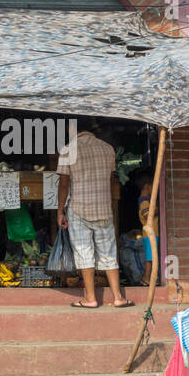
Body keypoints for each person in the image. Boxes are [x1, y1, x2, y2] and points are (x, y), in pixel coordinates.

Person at [57, 128, 133, 309]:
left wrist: (60, 211)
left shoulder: (68, 150)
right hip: (104, 208)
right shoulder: (107, 148)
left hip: (79, 208)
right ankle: (118, 297)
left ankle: (90, 298)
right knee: (108, 251)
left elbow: (64, 184)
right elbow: (110, 179)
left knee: (84, 252)